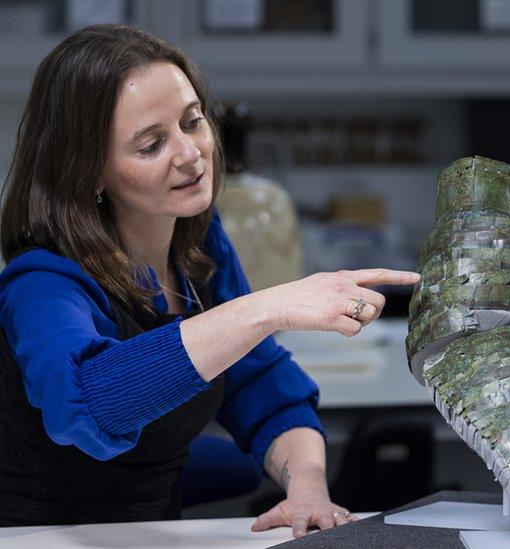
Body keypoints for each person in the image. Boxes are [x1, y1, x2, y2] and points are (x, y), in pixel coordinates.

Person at [0, 25, 419, 537]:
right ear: (90, 173)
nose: (190, 153)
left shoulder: (200, 246)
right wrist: (265, 308)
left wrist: (306, 486)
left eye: (193, 122)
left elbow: (261, 384)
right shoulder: (42, 281)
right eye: (151, 144)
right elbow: (87, 400)